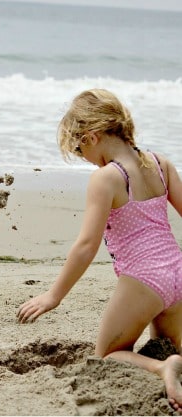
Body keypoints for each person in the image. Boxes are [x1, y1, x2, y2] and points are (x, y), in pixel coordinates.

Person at [17, 89, 182, 411]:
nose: (84, 157)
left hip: (144, 279)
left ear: (91, 136)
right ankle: (170, 363)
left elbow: (86, 246)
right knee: (165, 345)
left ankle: (163, 368)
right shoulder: (161, 163)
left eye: (80, 149)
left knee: (109, 355)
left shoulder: (107, 179)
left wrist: (54, 296)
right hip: (177, 272)